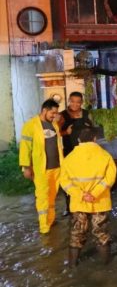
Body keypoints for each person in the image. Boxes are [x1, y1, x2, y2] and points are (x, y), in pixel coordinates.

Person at [60, 127, 117, 267]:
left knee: (76, 235)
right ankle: (106, 266)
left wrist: (81, 195)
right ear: (95, 139)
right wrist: (94, 193)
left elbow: (64, 181)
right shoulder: (105, 156)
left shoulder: (69, 158)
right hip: (100, 202)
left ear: (79, 140)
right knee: (101, 234)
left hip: (79, 203)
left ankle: (72, 267)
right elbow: (110, 178)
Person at [19, 99, 64, 234]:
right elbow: (25, 147)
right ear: (44, 110)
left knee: (52, 196)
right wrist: (26, 167)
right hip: (41, 169)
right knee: (43, 197)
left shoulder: (54, 125)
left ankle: (50, 220)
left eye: (56, 113)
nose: (54, 115)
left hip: (56, 167)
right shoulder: (30, 125)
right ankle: (44, 228)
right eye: (52, 112)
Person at [58, 91, 94, 216]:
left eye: (78, 102)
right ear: (69, 101)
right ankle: (69, 206)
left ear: (81, 103)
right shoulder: (62, 115)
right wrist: (66, 133)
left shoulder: (86, 114)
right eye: (72, 101)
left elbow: (92, 130)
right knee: (70, 179)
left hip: (84, 152)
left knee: (84, 178)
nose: (75, 104)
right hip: (69, 151)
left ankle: (85, 203)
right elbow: (57, 133)